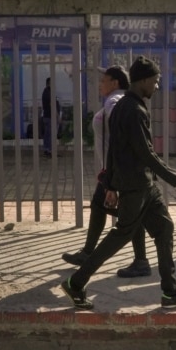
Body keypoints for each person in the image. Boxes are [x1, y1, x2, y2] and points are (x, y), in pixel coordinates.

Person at [60, 56, 176, 310]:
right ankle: (76, 282)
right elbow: (146, 153)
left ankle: (170, 292)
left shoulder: (126, 106)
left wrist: (110, 184)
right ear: (145, 80)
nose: (158, 86)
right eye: (156, 81)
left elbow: (114, 149)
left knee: (164, 230)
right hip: (136, 185)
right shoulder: (133, 110)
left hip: (143, 185)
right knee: (121, 235)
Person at [61, 65, 151, 278]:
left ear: (115, 82)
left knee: (131, 216)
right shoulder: (119, 100)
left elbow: (121, 135)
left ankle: (139, 261)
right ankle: (89, 252)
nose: (100, 84)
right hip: (115, 170)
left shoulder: (114, 101)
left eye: (104, 80)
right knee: (101, 208)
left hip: (118, 171)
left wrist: (112, 178)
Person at [41, 77, 61, 157]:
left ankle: (47, 150)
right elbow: (52, 105)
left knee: (48, 134)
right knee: (51, 134)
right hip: (50, 117)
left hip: (48, 116)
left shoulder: (47, 91)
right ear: (49, 83)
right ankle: (50, 151)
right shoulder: (48, 92)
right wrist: (57, 116)